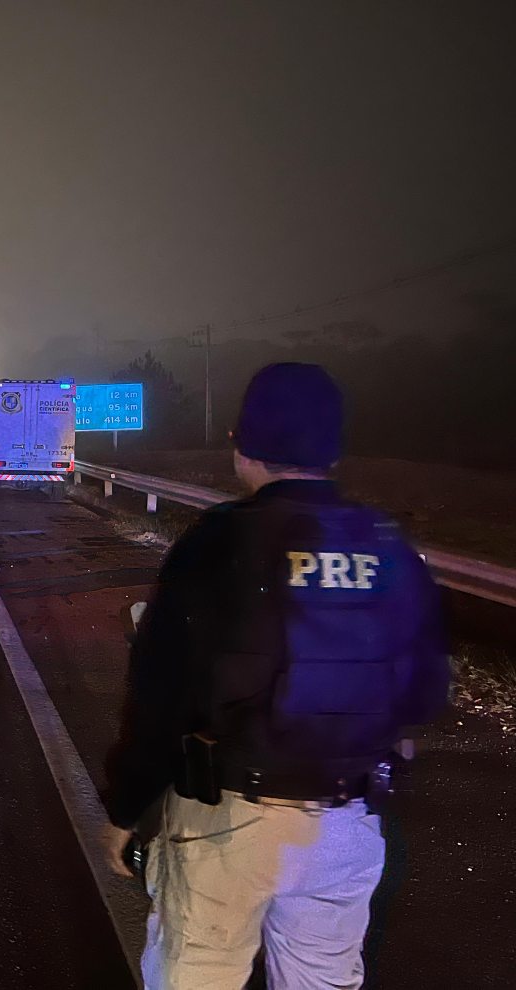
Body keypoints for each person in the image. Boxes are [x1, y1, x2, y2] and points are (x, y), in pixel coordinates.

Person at [100, 362, 450, 989]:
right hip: (347, 819)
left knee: (197, 973)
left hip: (228, 817)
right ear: (333, 451)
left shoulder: (219, 542)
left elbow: (160, 696)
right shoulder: (386, 545)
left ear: (244, 447)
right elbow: (426, 690)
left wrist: (127, 807)